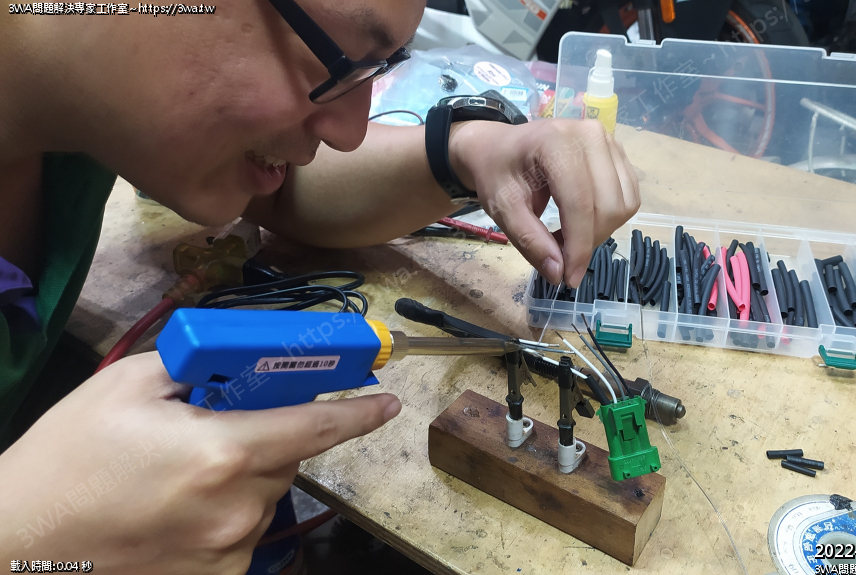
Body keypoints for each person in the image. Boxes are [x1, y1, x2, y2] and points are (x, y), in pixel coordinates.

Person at [0, 0, 640, 571]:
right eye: (337, 60)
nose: (352, 131)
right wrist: (29, 544)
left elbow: (278, 188)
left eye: (377, 70)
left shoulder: (89, 104)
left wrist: (467, 151)